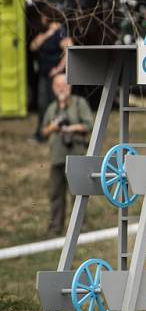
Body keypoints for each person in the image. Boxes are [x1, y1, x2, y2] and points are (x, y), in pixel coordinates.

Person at [40, 74, 93, 236]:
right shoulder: (51, 108)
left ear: (69, 86)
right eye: (58, 86)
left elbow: (89, 124)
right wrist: (54, 127)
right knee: (56, 194)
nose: (62, 88)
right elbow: (44, 131)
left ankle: (80, 227)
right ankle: (55, 228)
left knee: (76, 193)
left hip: (76, 157)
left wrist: (70, 129)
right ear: (54, 88)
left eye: (64, 85)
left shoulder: (79, 103)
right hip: (57, 157)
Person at [29, 8, 73, 142]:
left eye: (43, 16)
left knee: (59, 104)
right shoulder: (46, 32)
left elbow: (69, 50)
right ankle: (42, 134)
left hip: (56, 77)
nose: (41, 19)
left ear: (48, 17)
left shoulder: (61, 32)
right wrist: (48, 33)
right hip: (44, 75)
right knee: (43, 105)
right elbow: (33, 46)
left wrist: (59, 68)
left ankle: (62, 134)